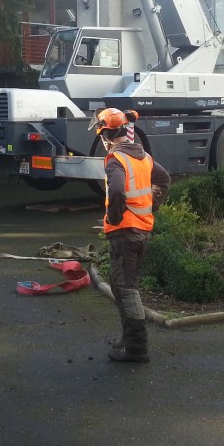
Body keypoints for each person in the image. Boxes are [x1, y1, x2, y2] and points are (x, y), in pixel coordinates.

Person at [90, 107, 171, 364]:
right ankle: (128, 339)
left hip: (125, 231)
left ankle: (137, 348)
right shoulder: (143, 156)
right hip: (141, 229)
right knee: (121, 285)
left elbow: (115, 191)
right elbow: (165, 180)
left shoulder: (115, 159)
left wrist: (114, 218)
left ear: (106, 135)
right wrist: (153, 206)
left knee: (126, 288)